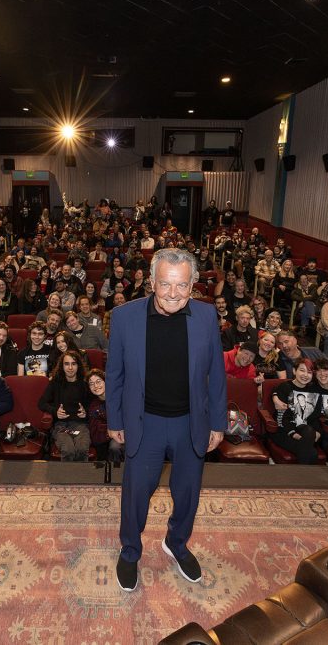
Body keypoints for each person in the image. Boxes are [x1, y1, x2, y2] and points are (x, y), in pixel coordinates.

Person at [107, 248, 227, 592]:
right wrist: (115, 419)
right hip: (145, 422)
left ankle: (176, 542)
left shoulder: (206, 316)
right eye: (165, 284)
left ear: (193, 286)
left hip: (191, 420)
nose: (173, 294)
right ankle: (130, 551)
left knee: (187, 492)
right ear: (151, 281)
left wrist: (217, 422)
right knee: (136, 493)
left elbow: (216, 373)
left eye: (182, 286)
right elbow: (114, 374)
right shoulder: (125, 316)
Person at [39, 349, 92, 461]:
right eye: (66, 364)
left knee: (82, 449)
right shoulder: (55, 382)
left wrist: (85, 412)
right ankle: (67, 478)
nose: (70, 368)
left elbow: (94, 406)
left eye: (73, 364)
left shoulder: (85, 384)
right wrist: (55, 412)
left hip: (80, 424)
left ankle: (82, 478)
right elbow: (42, 403)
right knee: (68, 450)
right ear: (62, 366)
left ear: (78, 366)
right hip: (60, 425)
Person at [269, 358, 322, 464]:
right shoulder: (285, 387)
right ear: (294, 371)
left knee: (309, 432)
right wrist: (292, 433)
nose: (305, 375)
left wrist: (318, 432)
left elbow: (315, 417)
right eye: (302, 370)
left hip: (306, 432)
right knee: (312, 453)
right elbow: (281, 417)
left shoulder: (315, 391)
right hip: (284, 431)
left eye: (309, 372)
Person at [86, 370, 121, 462]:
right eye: (91, 384)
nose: (96, 386)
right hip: (104, 440)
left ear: (106, 381)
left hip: (123, 435)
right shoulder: (93, 405)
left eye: (98, 381)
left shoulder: (118, 398)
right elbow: (95, 432)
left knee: (115, 447)